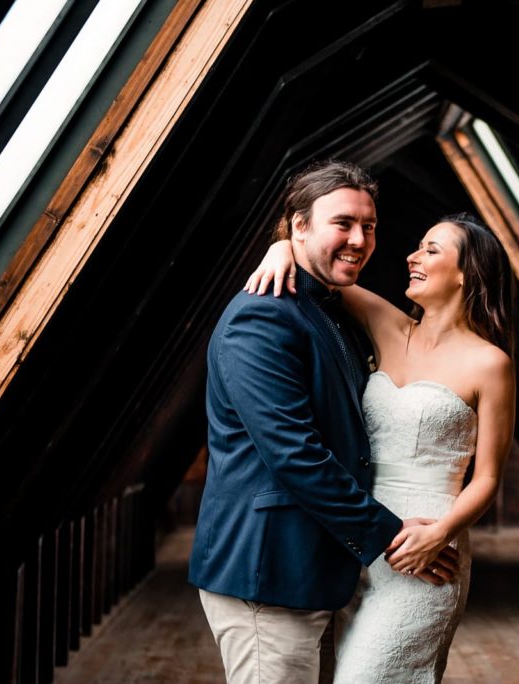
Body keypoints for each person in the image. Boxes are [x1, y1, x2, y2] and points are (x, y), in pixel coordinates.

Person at [189, 160, 458, 683]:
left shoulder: (327, 307)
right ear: (300, 225)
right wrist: (393, 536)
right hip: (267, 573)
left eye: (370, 226)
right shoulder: (261, 317)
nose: (359, 239)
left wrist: (286, 246)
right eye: (343, 223)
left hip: (313, 569)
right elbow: (295, 454)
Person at [245, 209, 517, 682]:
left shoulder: (490, 365)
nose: (412, 257)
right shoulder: (387, 324)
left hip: (426, 552)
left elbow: (489, 476)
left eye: (432, 250)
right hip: (359, 539)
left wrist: (439, 534)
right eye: (418, 246)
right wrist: (280, 246)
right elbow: (319, 267)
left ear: (466, 274)